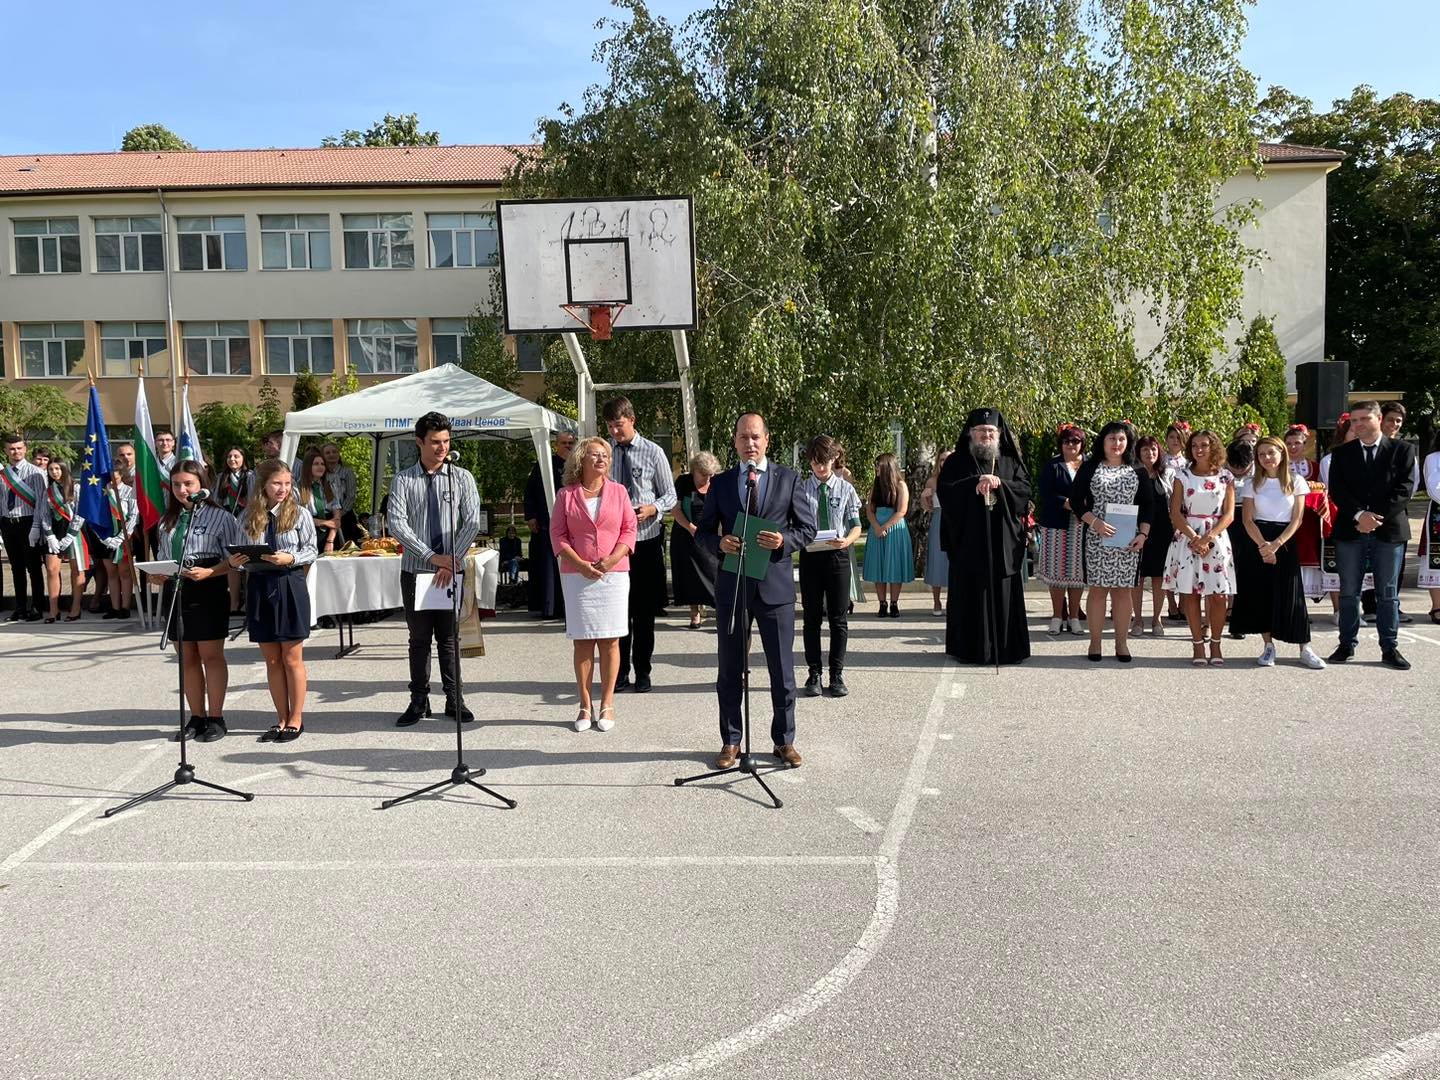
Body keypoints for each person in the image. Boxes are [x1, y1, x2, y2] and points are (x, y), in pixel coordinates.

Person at [696, 412, 816, 768]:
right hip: (733, 587)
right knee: (730, 668)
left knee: (782, 670)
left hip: (775, 588)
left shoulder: (788, 479)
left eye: (755, 437)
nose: (750, 443)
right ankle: (731, 741)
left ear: (767, 440)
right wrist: (720, 544)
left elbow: (807, 529)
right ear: (735, 442)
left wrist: (783, 541)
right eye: (743, 437)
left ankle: (784, 740)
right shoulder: (721, 483)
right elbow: (703, 533)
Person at [387, 412, 482, 726]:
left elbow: (471, 521)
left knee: (449, 639)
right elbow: (397, 524)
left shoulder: (461, 477)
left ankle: (455, 699)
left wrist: (450, 559)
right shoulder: (403, 480)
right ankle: (419, 700)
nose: (442, 448)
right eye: (435, 442)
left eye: (446, 441)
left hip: (450, 569)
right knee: (418, 639)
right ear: (419, 442)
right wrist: (431, 557)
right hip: (416, 571)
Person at [148, 461, 241, 742]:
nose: (182, 489)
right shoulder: (167, 520)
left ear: (201, 484)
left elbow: (235, 559)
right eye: (176, 484)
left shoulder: (221, 517)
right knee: (186, 658)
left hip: (208, 588)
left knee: (211, 656)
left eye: (188, 483)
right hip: (177, 590)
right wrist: (157, 574)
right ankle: (196, 717)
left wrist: (211, 572)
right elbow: (163, 557)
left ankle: (216, 718)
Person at [551, 436, 638, 733]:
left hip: (613, 575)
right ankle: (585, 704)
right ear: (581, 460)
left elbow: (629, 529)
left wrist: (612, 559)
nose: (601, 459)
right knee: (583, 640)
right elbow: (557, 535)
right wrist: (579, 564)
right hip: (577, 576)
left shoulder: (619, 492)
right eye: (595, 454)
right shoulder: (566, 495)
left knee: (611, 640)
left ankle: (608, 703)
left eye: (605, 455)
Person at [227, 459, 316, 742]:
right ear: (263, 485)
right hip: (259, 585)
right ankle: (281, 717)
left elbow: (312, 549)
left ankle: (296, 719)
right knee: (273, 660)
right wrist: (236, 562)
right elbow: (239, 554)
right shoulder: (247, 516)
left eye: (287, 483)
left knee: (291, 657)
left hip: (289, 583)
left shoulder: (300, 513)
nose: (283, 489)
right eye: (277, 483)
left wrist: (290, 557)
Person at [936, 408, 1033, 665]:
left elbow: (1024, 490)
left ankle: (1007, 649)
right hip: (969, 541)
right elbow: (945, 492)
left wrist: (1000, 484)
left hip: (1003, 539)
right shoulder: (957, 461)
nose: (986, 435)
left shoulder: (1011, 461)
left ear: (998, 433)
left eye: (990, 431)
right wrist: (974, 483)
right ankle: (969, 650)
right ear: (971, 433)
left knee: (1004, 591)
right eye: (981, 431)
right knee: (970, 592)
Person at [1325, 401, 1417, 670]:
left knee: (1387, 593)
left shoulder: (1402, 450)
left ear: (1379, 418)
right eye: (1354, 421)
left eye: (1364, 419)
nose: (1358, 425)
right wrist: (1359, 516)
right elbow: (1338, 490)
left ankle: (1389, 647)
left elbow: (1404, 489)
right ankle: (1346, 644)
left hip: (1388, 530)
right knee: (1349, 591)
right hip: (1351, 530)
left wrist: (1374, 518)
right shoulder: (1341, 453)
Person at [1232, 437, 1325, 669]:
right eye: (1261, 454)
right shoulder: (1252, 483)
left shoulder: (1297, 481)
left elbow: (1297, 519)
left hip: (1285, 541)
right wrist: (1263, 546)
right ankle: (1268, 646)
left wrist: (1276, 545)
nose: (1266, 458)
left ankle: (1305, 648)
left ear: (1281, 454)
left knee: (1293, 595)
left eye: (1271, 452)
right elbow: (1247, 520)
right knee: (1263, 594)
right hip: (1258, 540)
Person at [605, 397, 676, 692]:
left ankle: (643, 671)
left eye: (619, 425)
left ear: (632, 420)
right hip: (614, 545)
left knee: (644, 613)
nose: (615, 432)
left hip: (645, 541)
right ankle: (619, 672)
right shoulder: (605, 453)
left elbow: (670, 494)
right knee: (618, 612)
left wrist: (653, 508)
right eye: (610, 427)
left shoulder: (653, 452)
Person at [1069, 421, 1153, 662]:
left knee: (1123, 591)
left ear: (1128, 442)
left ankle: (1121, 643)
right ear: (1103, 442)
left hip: (1128, 541)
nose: (1117, 443)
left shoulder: (1137, 469)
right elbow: (1076, 500)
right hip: (1097, 538)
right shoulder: (1090, 467)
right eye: (1112, 439)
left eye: (1121, 439)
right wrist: (1094, 522)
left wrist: (1143, 535)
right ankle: (1095, 643)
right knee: (1098, 590)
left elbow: (1148, 505)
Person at [1163, 429, 1237, 666]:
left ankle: (1216, 642)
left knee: (1219, 595)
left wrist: (1208, 538)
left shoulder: (1225, 477)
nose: (1199, 449)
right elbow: (1175, 512)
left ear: (1213, 447)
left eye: (1204, 445)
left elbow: (1229, 514)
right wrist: (1195, 537)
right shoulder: (1182, 475)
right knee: (1191, 593)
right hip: (1188, 537)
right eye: (1194, 445)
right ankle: (1197, 644)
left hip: (1216, 538)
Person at [799, 435, 863, 697]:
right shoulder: (802, 489)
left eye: (824, 462)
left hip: (838, 556)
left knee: (838, 618)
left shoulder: (846, 489)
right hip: (811, 556)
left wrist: (846, 540)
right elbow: (795, 523)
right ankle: (814, 673)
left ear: (834, 458)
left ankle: (837, 674)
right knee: (811, 617)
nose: (820, 468)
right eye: (815, 463)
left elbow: (856, 525)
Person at [1361, 402, 1419, 625]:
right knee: (1368, 562)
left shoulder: (1405, 450)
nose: (1394, 424)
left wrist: (1385, 512)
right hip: (1366, 516)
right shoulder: (1365, 447)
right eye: (1390, 419)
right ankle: (1370, 605)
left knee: (1395, 565)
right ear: (1380, 419)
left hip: (1395, 515)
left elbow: (1409, 487)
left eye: (1398, 421)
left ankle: (1393, 605)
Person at [1035, 425, 1087, 636]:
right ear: (1061, 444)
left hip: (1083, 525)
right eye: (1067, 441)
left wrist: (1084, 507)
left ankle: (1074, 617)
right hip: (1056, 525)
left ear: (1082, 443)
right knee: (1057, 573)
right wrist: (1068, 503)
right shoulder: (1053, 465)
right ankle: (1057, 616)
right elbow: (1045, 493)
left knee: (1077, 573)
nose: (1071, 445)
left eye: (1075, 441)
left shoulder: (1090, 465)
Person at [524, 431, 574, 620]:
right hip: (547, 523)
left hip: (572, 525)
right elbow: (530, 491)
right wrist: (531, 516)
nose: (567, 446)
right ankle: (550, 608)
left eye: (571, 443)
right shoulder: (544, 464)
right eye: (564, 443)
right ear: (556, 445)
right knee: (548, 569)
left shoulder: (578, 465)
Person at [670, 451, 721, 628]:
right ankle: (695, 613)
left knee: (714, 574)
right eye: (703, 474)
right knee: (690, 576)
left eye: (711, 475)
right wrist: (691, 528)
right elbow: (675, 509)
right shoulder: (683, 482)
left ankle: (720, 611)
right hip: (686, 533)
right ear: (694, 471)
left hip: (710, 536)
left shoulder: (717, 483)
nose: (707, 479)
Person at [862, 453, 914, 616]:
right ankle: (882, 603)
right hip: (877, 529)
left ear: (887, 467)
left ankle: (894, 603)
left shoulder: (901, 485)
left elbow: (901, 511)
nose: (876, 469)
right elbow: (869, 510)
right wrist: (876, 527)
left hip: (894, 529)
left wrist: (885, 526)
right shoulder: (875, 486)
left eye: (879, 466)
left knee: (894, 567)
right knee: (879, 567)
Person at [35, 459, 86, 623]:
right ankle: (53, 610)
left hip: (74, 532)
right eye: (51, 469)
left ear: (64, 469)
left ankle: (76, 608)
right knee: (51, 569)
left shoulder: (76, 488)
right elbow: (44, 514)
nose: (54, 472)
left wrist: (70, 535)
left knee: (76, 570)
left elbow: (81, 513)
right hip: (55, 532)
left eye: (57, 469)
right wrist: (49, 535)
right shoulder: (48, 491)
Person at [1133, 435, 1174, 636]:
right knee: (1137, 577)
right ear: (1138, 453)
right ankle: (1138, 619)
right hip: (1138, 530)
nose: (1149, 453)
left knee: (1159, 577)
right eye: (1145, 450)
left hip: (1163, 531)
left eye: (1153, 449)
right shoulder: (1132, 474)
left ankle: (1157, 619)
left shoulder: (1167, 474)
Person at [3, 433, 46, 621]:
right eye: (12, 449)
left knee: (34, 567)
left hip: (29, 522)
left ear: (25, 449)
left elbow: (41, 502)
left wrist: (36, 527)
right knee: (16, 568)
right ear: (6, 451)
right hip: (8, 524)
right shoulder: (3, 474)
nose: (16, 452)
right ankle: (20, 608)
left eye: (19, 448)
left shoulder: (35, 472)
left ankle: (37, 607)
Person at [1225, 439, 1256, 640]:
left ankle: (1243, 615)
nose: (1238, 473)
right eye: (1233, 468)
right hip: (1226, 521)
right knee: (1228, 567)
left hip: (1252, 521)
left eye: (1242, 470)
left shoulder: (1260, 472)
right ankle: (1230, 607)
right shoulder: (1220, 471)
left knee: (1246, 569)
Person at [101, 465, 138, 620]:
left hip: (124, 537)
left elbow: (134, 515)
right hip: (106, 537)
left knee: (125, 572)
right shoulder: (102, 491)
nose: (112, 480)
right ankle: (115, 607)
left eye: (115, 477)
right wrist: (103, 537)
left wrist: (121, 537)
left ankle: (125, 607)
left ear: (121, 475)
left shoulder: (129, 491)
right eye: (110, 477)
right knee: (111, 573)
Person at [920, 449, 953, 618]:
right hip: (939, 520)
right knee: (937, 559)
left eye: (948, 459)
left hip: (956, 522)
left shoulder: (960, 478)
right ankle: (936, 601)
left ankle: (953, 601)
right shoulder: (932, 481)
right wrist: (924, 497)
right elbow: (926, 507)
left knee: (954, 561)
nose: (944, 462)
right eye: (941, 459)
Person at [296, 449, 342, 554]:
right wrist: (325, 523)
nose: (320, 467)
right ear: (308, 467)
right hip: (308, 533)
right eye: (316, 464)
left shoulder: (330, 486)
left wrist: (330, 540)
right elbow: (298, 517)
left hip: (330, 535)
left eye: (322, 464)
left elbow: (336, 520)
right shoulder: (298, 488)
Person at [321, 442, 362, 544]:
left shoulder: (347, 472)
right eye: (328, 453)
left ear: (338, 454)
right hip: (327, 516)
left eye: (334, 452)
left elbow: (351, 495)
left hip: (346, 515)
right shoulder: (322, 473)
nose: (331, 454)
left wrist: (340, 513)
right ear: (323, 456)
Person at [1420, 432, 1440, 624]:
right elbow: (1434, 487)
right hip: (1439, 512)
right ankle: (1437, 606)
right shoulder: (1433, 458)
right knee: (1437, 560)